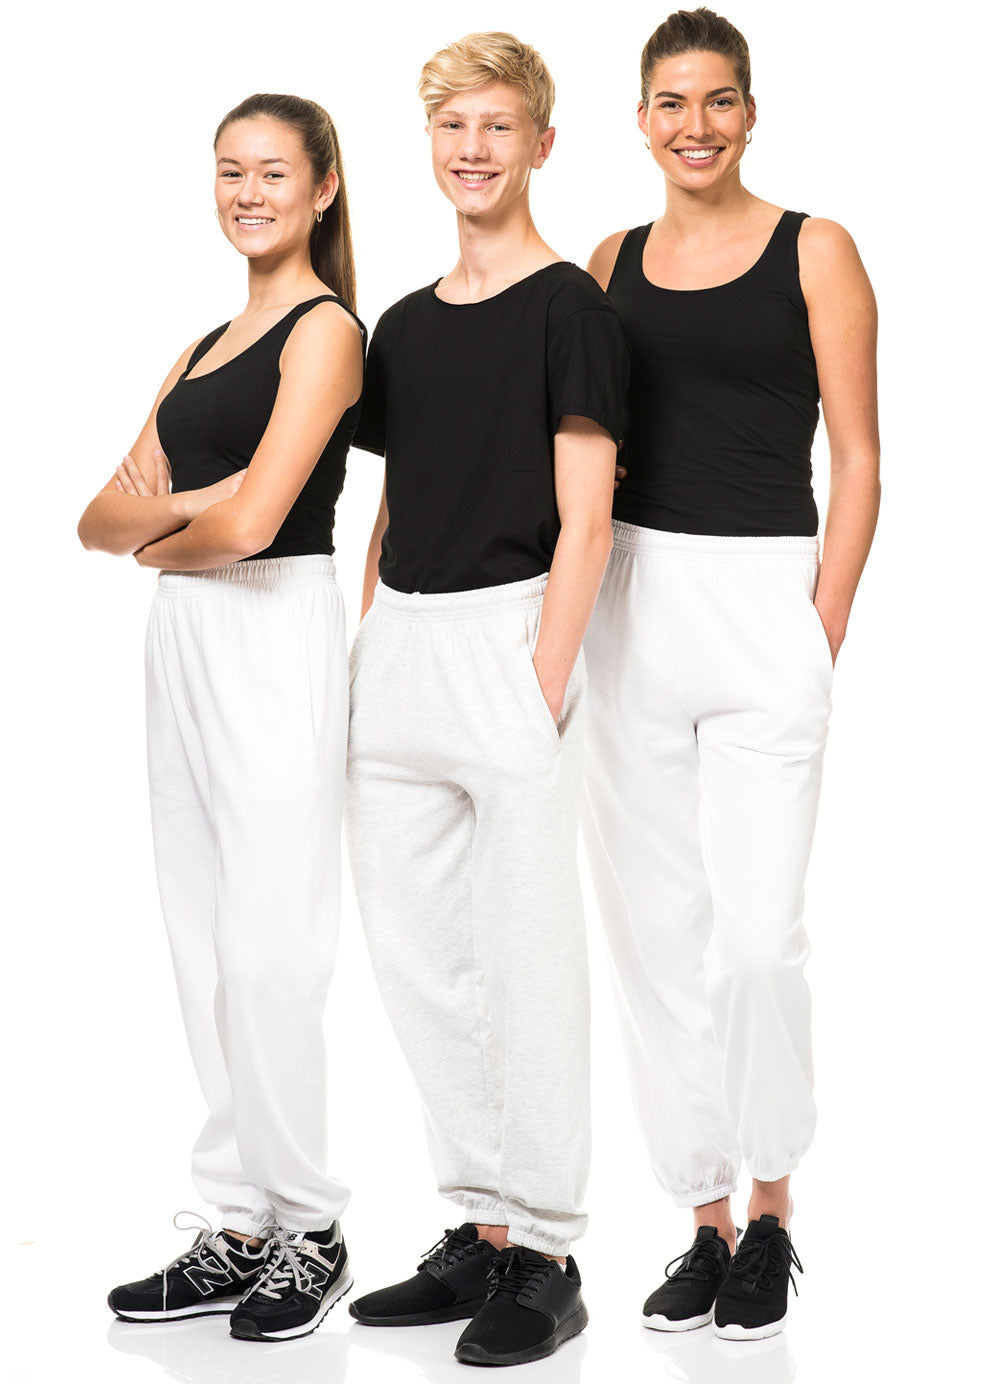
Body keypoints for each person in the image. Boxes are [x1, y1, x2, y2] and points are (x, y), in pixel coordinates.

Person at [582, 6, 880, 1342]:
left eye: (717, 100)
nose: (693, 125)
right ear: (640, 120)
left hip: (764, 600)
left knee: (758, 941)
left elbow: (859, 459)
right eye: (670, 102)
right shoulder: (607, 261)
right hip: (632, 601)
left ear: (749, 113)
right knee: (657, 937)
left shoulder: (817, 248)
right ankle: (701, 1216)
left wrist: (819, 626)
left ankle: (771, 1210)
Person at [343, 32, 629, 1369]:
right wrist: (366, 641)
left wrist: (541, 680)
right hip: (399, 646)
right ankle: (480, 1226)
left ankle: (550, 1253)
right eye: (453, 126)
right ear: (430, 143)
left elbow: (589, 519)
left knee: (526, 961)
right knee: (420, 961)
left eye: (498, 126)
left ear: (541, 145)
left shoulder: (572, 309)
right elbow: (393, 500)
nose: (473, 149)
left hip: (510, 639)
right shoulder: (401, 325)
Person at [77, 93, 366, 1343]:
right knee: (199, 939)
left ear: (323, 187)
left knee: (268, 949)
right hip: (184, 638)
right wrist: (203, 506)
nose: (248, 194)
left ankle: (312, 1226)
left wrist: (173, 521)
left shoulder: (327, 332)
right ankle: (239, 1223)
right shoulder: (201, 347)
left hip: (273, 629)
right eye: (229, 171)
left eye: (272, 173)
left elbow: (254, 528)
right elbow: (93, 519)